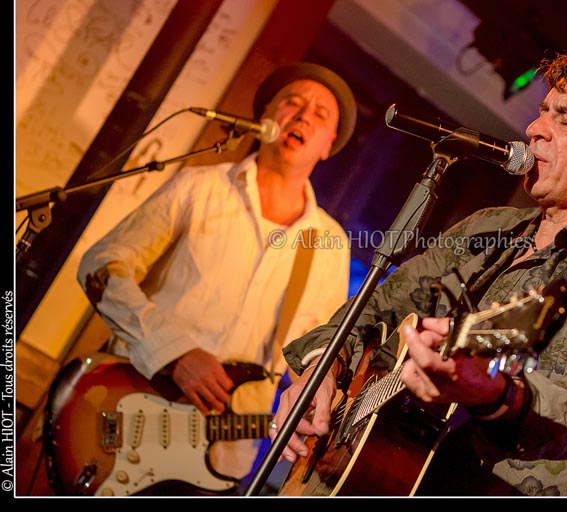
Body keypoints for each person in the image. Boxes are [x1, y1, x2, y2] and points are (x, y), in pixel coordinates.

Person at [268, 45, 567, 496]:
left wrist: (494, 391)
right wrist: (321, 374)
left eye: (564, 119)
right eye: (543, 111)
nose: (534, 129)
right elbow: (373, 308)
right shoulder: (487, 228)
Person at [76, 62, 357, 488]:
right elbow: (101, 265)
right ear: (265, 114)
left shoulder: (330, 243)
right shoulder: (198, 188)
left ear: (327, 145)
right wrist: (173, 353)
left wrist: (323, 417)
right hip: (123, 415)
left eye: (320, 114)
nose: (303, 117)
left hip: (222, 460)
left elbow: (317, 352)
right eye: (293, 103)